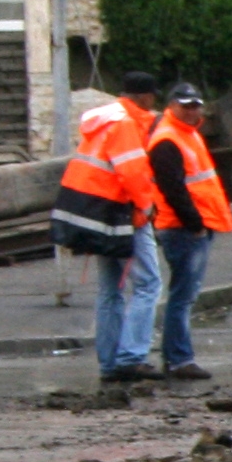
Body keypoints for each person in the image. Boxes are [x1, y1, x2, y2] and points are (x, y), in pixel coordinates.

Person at [47, 73, 164, 383]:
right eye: (153, 97)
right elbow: (133, 173)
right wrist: (149, 208)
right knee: (148, 285)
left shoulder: (103, 122)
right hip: (123, 217)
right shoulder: (126, 124)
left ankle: (110, 363)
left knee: (110, 290)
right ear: (145, 98)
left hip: (95, 215)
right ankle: (131, 357)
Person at [143, 81, 232, 381]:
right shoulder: (169, 140)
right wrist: (194, 223)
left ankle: (177, 357)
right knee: (182, 297)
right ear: (171, 106)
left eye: (196, 105)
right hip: (183, 229)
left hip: (192, 225)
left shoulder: (185, 134)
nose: (193, 110)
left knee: (183, 296)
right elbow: (172, 189)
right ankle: (179, 359)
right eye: (186, 105)